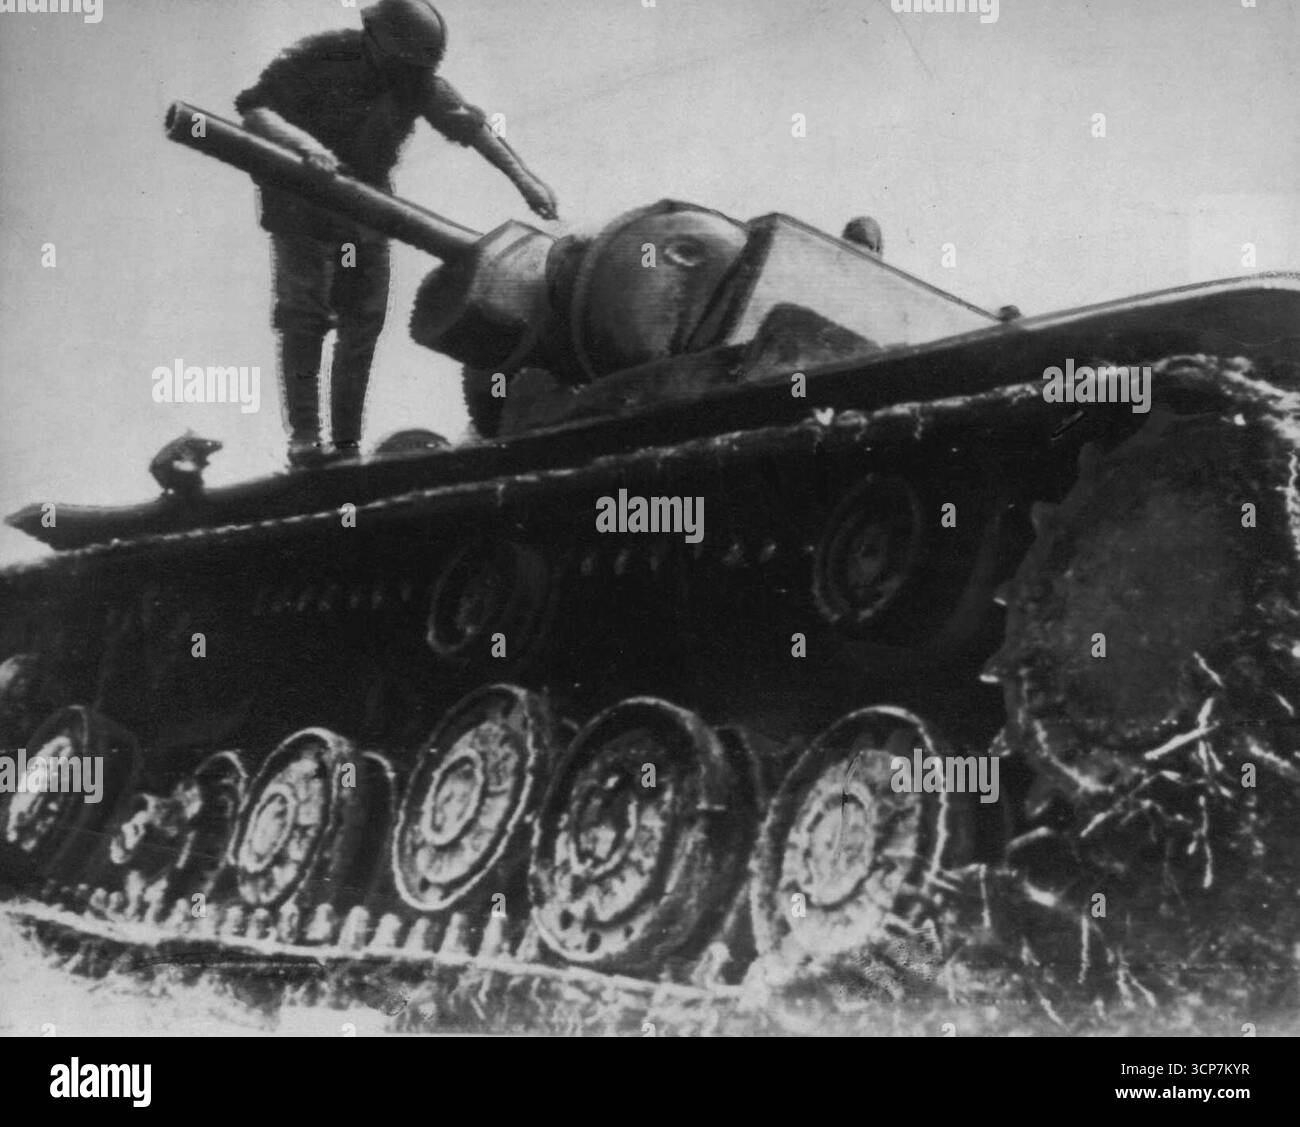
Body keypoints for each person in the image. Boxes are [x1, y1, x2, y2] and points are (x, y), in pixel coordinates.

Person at [236, 0, 559, 467]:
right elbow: (256, 110)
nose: (405, 72)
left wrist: (525, 180)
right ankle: (306, 440)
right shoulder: (321, 58)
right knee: (304, 318)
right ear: (373, 40)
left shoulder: (416, 82)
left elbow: (471, 127)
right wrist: (304, 147)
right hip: (301, 205)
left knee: (362, 324)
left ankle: (345, 446)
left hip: (364, 213)